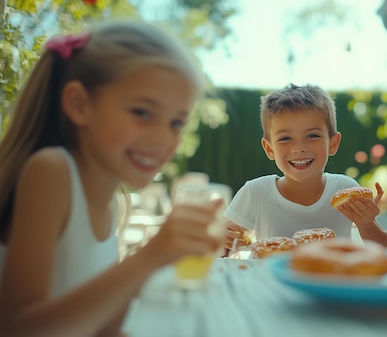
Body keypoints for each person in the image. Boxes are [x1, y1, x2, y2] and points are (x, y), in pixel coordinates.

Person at [0, 21, 225, 336]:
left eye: (176, 122)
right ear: (79, 105)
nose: (163, 138)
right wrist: (150, 256)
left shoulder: (112, 202)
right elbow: (18, 329)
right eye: (142, 113)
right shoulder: (51, 171)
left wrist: (159, 265)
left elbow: (100, 326)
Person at [223, 83, 387, 249]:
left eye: (312, 135)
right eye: (285, 138)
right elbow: (221, 247)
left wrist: (367, 224)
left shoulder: (344, 189)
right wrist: (224, 238)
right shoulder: (256, 192)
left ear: (333, 143)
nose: (299, 148)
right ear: (269, 149)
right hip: (270, 278)